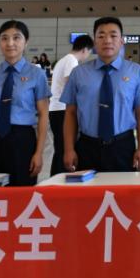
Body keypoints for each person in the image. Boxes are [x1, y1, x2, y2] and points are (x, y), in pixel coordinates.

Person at [62, 17, 140, 173]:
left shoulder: (136, 72)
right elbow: (70, 113)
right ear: (95, 42)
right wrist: (69, 149)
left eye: (113, 35)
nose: (107, 40)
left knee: (122, 188)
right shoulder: (79, 73)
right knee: (88, 189)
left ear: (122, 41)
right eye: (101, 36)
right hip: (87, 146)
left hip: (123, 146)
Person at [0, 21, 50, 187]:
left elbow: (43, 115)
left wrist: (39, 152)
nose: (10, 43)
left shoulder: (37, 74)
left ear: (26, 42)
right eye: (4, 38)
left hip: (23, 140)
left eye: (16, 38)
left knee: (22, 192)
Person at [49, 34, 92, 176]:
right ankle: (59, 180)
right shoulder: (71, 61)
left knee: (60, 148)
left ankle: (56, 179)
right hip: (62, 110)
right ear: (85, 50)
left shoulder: (63, 60)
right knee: (64, 149)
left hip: (56, 109)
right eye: (89, 52)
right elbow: (72, 85)